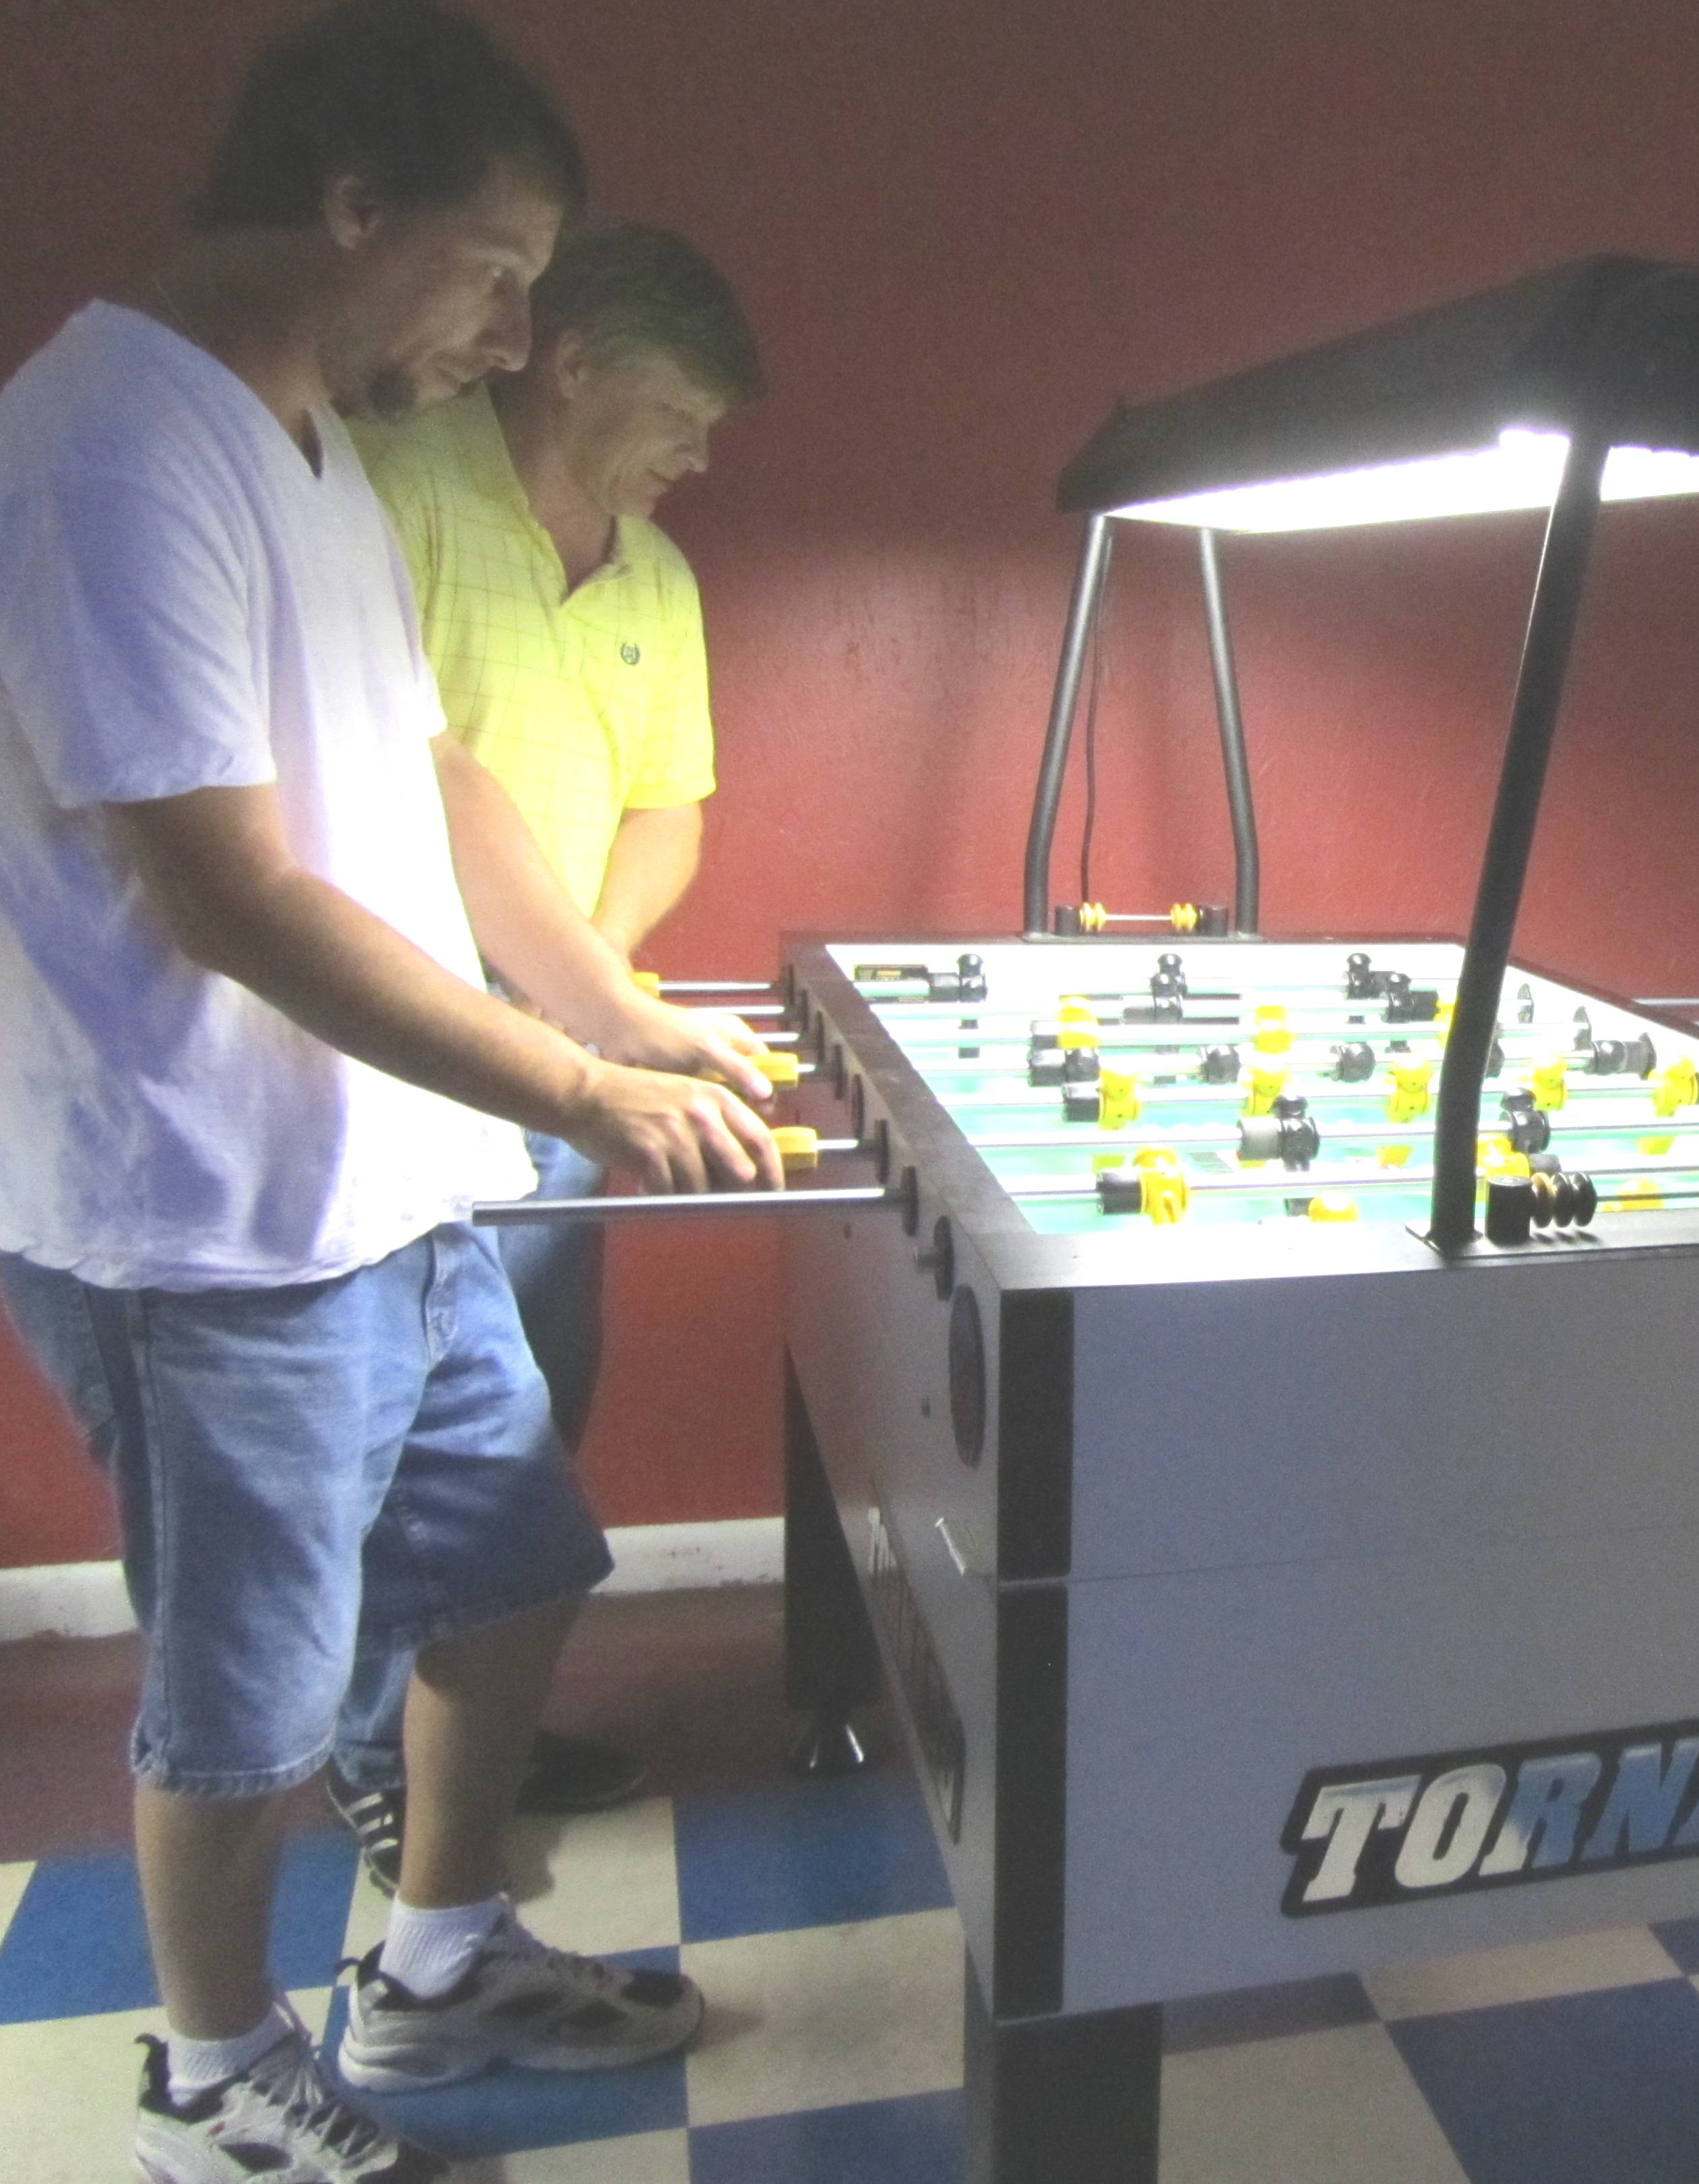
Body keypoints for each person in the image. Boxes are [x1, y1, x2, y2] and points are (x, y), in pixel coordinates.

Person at [0, 5, 785, 2179]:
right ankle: (210, 2077)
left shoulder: (307, 441)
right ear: (354, 209)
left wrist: (615, 1014)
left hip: (389, 1183)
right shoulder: (108, 443)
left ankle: (435, 1968)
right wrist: (570, 1076)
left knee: (517, 1562)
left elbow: (436, 785)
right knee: (248, 1702)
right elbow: (229, 892)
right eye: (499, 265)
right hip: (210, 1220)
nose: (520, 324)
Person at [325, 222, 768, 1889]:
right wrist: (575, 1003)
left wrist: (594, 992)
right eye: (687, 413)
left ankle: (470, 1736)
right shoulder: (399, 482)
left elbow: (673, 808)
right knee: (408, 1435)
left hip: (570, 1057)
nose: (701, 454)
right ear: (576, 361)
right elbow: (409, 778)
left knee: (527, 1420)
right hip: (405, 1050)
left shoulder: (657, 575)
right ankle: (378, 1760)